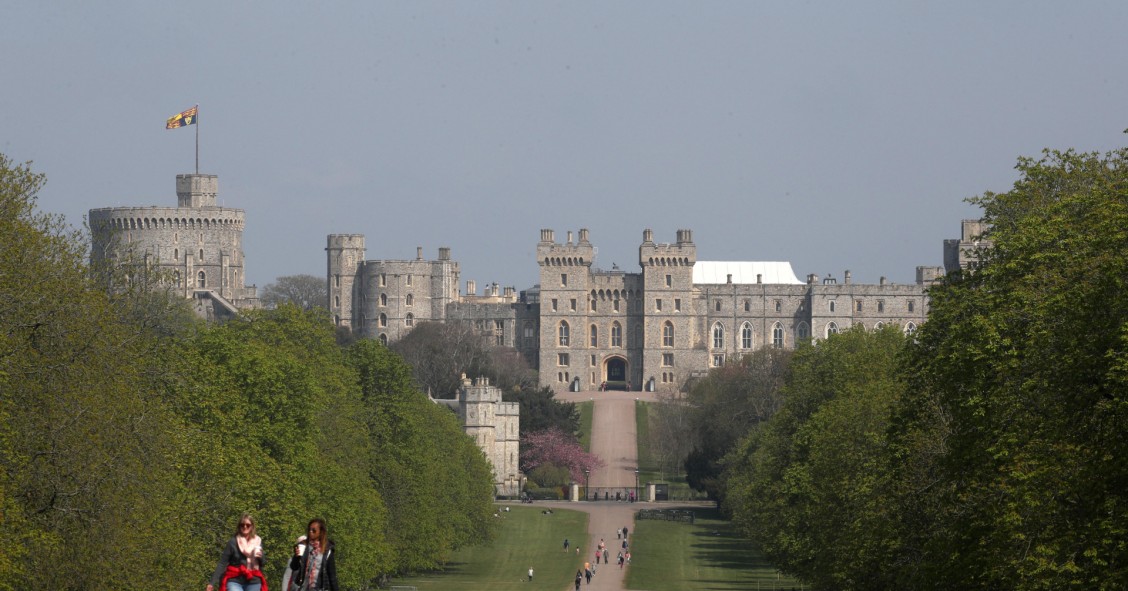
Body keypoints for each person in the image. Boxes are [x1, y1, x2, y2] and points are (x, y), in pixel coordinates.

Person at [207, 513, 267, 591]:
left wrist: (260, 556)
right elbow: (222, 563)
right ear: (239, 527)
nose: (245, 527)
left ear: (252, 527)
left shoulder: (258, 541)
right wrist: (212, 583)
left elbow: (263, 563)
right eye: (242, 525)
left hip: (253, 581)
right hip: (235, 580)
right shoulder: (233, 542)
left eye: (248, 525)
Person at [289, 517, 339, 591]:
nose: (310, 532)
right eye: (309, 529)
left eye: (314, 530)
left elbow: (332, 576)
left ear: (320, 532)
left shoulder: (327, 550)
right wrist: (296, 557)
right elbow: (294, 567)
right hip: (302, 588)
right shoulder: (303, 545)